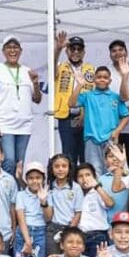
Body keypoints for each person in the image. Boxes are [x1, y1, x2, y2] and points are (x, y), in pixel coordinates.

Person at [0, 35, 42, 176]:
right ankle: (7, 195)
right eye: (9, 47)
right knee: (8, 161)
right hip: (4, 124)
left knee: (19, 164)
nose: (12, 50)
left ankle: (17, 196)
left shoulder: (27, 71)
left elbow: (37, 99)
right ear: (3, 51)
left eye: (15, 47)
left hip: (24, 125)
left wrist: (35, 82)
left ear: (21, 51)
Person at [72, 66, 129, 172]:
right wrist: (79, 85)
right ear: (94, 79)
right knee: (94, 170)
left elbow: (126, 116)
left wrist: (117, 131)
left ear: (110, 80)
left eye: (105, 77)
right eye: (99, 77)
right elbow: (71, 104)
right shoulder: (87, 96)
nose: (102, 79)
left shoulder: (116, 97)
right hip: (92, 139)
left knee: (113, 168)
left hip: (111, 139)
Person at [54, 32, 95, 165]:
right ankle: (70, 184)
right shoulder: (61, 66)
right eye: (72, 49)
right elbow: (52, 68)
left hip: (86, 119)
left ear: (84, 52)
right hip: (66, 117)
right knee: (68, 156)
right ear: (67, 51)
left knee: (85, 156)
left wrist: (85, 113)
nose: (76, 52)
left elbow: (93, 94)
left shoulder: (91, 69)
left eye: (79, 49)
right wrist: (58, 49)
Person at [108, 40, 129, 168]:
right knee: (114, 160)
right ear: (110, 54)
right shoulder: (106, 71)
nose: (117, 53)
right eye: (114, 51)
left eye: (120, 50)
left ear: (126, 52)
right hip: (114, 124)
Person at [45, 154, 82, 255]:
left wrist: (68, 231)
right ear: (51, 169)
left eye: (64, 166)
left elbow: (78, 213)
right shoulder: (49, 188)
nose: (60, 169)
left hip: (70, 227)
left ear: (69, 168)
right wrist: (43, 202)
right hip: (52, 229)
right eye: (56, 166)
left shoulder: (76, 188)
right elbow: (48, 216)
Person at [75, 163, 115, 257]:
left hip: (98, 236)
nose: (84, 179)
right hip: (80, 236)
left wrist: (96, 186)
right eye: (80, 176)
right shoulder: (76, 194)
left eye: (88, 175)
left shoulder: (97, 192)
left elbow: (110, 203)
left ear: (94, 177)